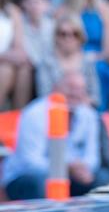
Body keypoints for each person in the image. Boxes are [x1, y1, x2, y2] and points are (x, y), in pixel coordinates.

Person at [3, 69, 101, 199]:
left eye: (81, 89)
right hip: (26, 177)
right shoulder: (34, 114)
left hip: (70, 175)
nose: (76, 93)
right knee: (40, 182)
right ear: (55, 88)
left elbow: (93, 157)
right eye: (71, 87)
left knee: (102, 179)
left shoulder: (88, 114)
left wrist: (81, 168)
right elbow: (30, 163)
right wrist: (66, 168)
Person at [60, 0, 109, 110]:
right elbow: (59, 43)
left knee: (101, 69)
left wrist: (93, 58)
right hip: (70, 59)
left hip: (98, 59)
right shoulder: (64, 11)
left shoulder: (106, 9)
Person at [36, 12, 100, 105]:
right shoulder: (46, 62)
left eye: (75, 34)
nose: (69, 38)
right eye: (63, 34)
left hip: (82, 111)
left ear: (81, 37)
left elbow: (95, 97)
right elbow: (43, 95)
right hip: (54, 111)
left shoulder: (87, 62)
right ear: (56, 37)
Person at [0, 0, 32, 109]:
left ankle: (17, 119)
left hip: (6, 61)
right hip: (4, 62)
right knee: (5, 70)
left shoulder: (12, 11)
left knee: (24, 67)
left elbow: (19, 47)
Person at [20, 0, 55, 68]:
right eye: (30, 0)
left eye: (40, 0)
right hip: (27, 66)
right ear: (23, 3)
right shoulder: (18, 24)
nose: (34, 5)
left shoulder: (53, 26)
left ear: (48, 4)